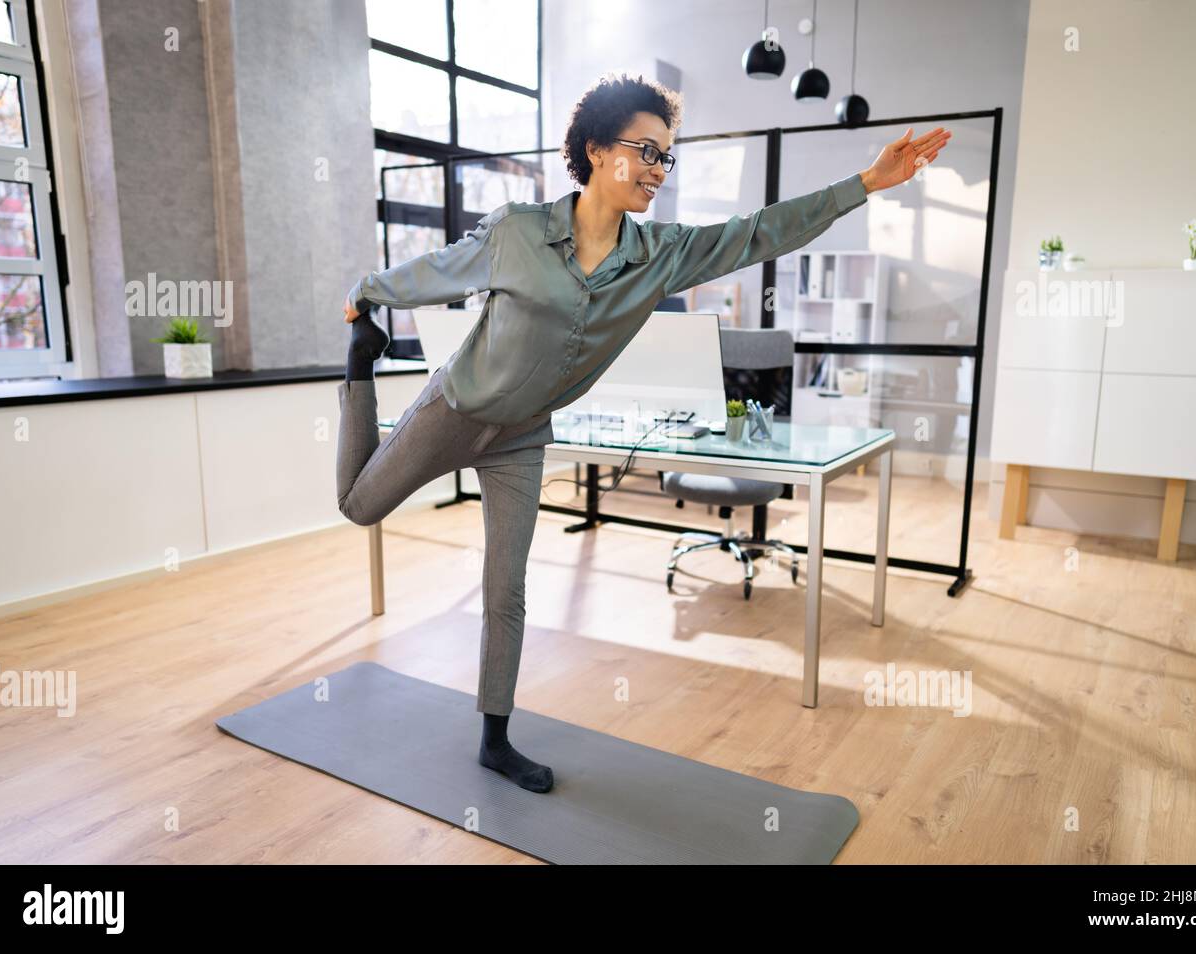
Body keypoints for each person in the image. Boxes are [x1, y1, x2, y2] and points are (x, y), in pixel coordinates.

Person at [335, 73, 950, 794]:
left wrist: (868, 182)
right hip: (455, 409)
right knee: (359, 507)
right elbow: (435, 271)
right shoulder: (517, 233)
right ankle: (356, 373)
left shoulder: (661, 254)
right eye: (646, 152)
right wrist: (364, 296)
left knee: (506, 589)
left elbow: (756, 234)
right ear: (597, 150)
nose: (659, 170)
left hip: (522, 437)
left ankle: (495, 740)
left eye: (667, 158)